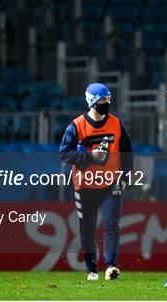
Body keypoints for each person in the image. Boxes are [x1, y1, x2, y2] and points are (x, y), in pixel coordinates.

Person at [59, 83, 133, 281]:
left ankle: (111, 266)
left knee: (112, 225)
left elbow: (127, 153)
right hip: (84, 186)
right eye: (103, 100)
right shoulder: (76, 126)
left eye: (108, 100)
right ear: (92, 101)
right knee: (87, 228)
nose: (107, 104)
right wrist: (90, 157)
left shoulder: (117, 124)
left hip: (111, 184)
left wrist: (125, 177)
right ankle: (92, 269)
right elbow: (64, 153)